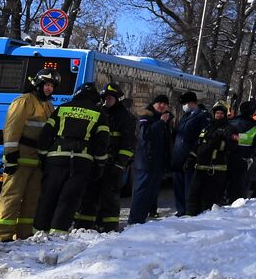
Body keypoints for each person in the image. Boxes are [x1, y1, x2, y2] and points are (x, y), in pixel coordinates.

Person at [34, 83, 109, 233]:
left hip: (56, 158)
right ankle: (58, 233)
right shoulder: (99, 113)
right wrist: (100, 165)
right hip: (81, 161)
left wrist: (42, 156)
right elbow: (102, 143)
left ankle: (38, 232)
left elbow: (46, 134)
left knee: (49, 195)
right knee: (69, 198)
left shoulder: (62, 108)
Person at [0, 68, 56, 241]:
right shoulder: (23, 102)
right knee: (11, 197)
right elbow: (12, 130)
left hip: (37, 161)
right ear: (38, 84)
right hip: (19, 159)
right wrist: (11, 156)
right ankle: (3, 236)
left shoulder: (48, 105)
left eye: (52, 86)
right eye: (47, 84)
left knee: (32, 200)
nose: (49, 89)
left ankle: (24, 234)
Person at [75, 82, 135, 232]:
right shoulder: (99, 112)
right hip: (96, 163)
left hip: (113, 164)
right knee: (89, 195)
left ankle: (109, 227)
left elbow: (128, 144)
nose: (106, 101)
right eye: (105, 98)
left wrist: (120, 164)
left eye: (110, 98)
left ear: (117, 99)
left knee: (110, 197)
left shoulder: (125, 117)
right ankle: (84, 226)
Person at [128, 93, 173, 224]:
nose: (162, 106)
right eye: (160, 103)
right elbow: (145, 135)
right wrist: (161, 122)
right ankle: (134, 221)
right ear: (154, 104)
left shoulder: (163, 119)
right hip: (145, 162)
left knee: (151, 194)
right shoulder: (146, 117)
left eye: (165, 104)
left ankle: (142, 220)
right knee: (140, 193)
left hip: (157, 164)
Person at [186, 102, 234, 215]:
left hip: (215, 171)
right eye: (217, 113)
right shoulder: (207, 128)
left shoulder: (229, 129)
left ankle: (205, 226)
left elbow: (234, 147)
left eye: (221, 113)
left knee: (208, 201)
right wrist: (191, 157)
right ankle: (188, 223)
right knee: (192, 197)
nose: (219, 115)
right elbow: (198, 144)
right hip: (199, 169)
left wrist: (222, 143)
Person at [171, 91, 208, 217]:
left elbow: (202, 138)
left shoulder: (201, 117)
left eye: (185, 103)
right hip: (178, 157)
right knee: (178, 188)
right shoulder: (185, 116)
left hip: (190, 158)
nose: (183, 106)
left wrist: (193, 154)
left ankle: (189, 211)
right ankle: (181, 210)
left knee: (189, 188)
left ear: (192, 103)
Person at [227, 101, 256, 202]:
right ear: (253, 112)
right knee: (240, 191)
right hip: (244, 163)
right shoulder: (255, 127)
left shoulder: (231, 122)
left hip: (227, 159)